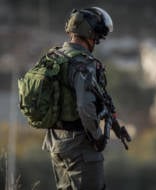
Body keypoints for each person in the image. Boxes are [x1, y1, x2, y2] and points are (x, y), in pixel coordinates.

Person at [42, 7, 114, 190]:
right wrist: (97, 137)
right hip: (80, 146)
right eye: (96, 37)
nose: (96, 41)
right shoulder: (83, 63)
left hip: (55, 143)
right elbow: (84, 106)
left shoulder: (55, 57)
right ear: (89, 34)